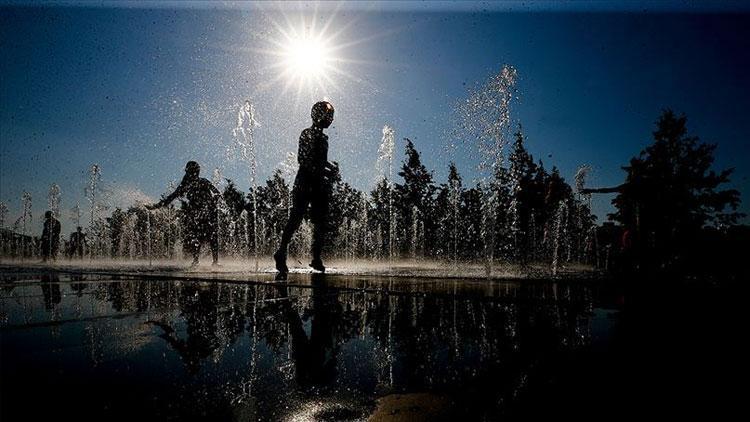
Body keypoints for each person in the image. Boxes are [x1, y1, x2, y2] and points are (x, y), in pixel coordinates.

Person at [274, 101, 338, 276]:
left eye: (331, 116)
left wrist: (330, 169)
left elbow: (321, 160)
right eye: (327, 115)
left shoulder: (325, 138)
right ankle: (281, 252)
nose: (329, 119)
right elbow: (302, 159)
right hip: (304, 181)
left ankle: (316, 258)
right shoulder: (306, 133)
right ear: (316, 115)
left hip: (318, 183)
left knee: (320, 222)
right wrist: (319, 170)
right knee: (296, 217)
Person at [148, 161, 220, 267]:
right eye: (193, 171)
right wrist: (157, 206)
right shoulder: (185, 185)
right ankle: (197, 261)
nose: (195, 173)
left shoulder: (204, 181)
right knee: (198, 236)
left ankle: (213, 262)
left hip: (208, 213)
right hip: (196, 215)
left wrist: (214, 200)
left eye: (196, 171)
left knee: (211, 236)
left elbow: (217, 193)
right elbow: (171, 197)